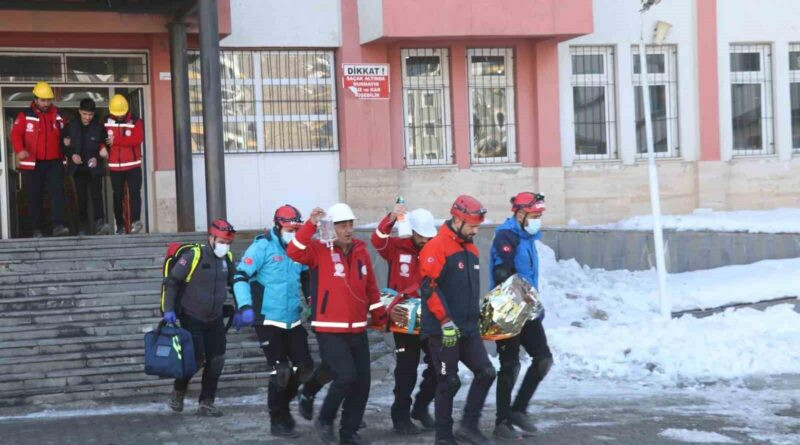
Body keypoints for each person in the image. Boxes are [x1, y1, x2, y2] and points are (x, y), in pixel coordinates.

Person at [286, 203, 387, 445]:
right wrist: (310, 225)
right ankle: (325, 419)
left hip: (358, 327)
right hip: (329, 327)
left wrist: (379, 314)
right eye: (342, 225)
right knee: (345, 376)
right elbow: (294, 251)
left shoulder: (361, 250)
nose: (348, 229)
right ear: (332, 227)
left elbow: (371, 286)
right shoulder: (319, 249)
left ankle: (349, 433)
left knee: (362, 382)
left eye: (350, 224)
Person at [419, 195, 497, 445]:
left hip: (468, 329)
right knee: (448, 381)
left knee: (486, 372)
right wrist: (444, 321)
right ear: (456, 219)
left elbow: (468, 290)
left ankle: (468, 426)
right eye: (472, 225)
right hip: (444, 332)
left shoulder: (470, 249)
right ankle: (443, 437)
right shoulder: (437, 246)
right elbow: (429, 287)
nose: (476, 230)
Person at [232, 205, 314, 438]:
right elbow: (240, 276)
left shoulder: (299, 248)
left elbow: (307, 276)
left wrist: (311, 301)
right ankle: (277, 419)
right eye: (289, 228)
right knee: (281, 370)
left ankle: (284, 407)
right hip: (268, 319)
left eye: (296, 229)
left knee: (305, 368)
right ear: (278, 225)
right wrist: (245, 305)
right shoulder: (262, 247)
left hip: (292, 319)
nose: (293, 233)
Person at [489, 192, 553, 440]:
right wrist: (504, 270)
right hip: (506, 308)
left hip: (526, 307)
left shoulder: (527, 238)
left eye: (539, 215)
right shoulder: (507, 236)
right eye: (535, 215)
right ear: (520, 213)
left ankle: (518, 410)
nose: (538, 220)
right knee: (510, 365)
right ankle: (501, 421)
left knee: (543, 359)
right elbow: (502, 269)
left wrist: (534, 303)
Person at [370, 203, 437, 434]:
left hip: (430, 317)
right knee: (406, 371)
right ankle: (400, 417)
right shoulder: (396, 248)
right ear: (413, 231)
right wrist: (390, 218)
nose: (426, 241)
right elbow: (378, 241)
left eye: (429, 237)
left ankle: (421, 407)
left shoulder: (434, 249)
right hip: (403, 319)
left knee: (440, 366)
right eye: (422, 236)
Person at [162, 218, 236, 417]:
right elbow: (173, 282)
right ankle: (178, 391)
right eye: (221, 241)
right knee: (195, 359)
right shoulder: (193, 255)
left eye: (228, 242)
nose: (224, 246)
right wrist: (168, 309)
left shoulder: (226, 259)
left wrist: (242, 308)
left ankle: (207, 402)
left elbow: (236, 283)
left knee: (217, 360)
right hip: (192, 317)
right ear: (210, 238)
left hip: (215, 319)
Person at [10, 81, 69, 238]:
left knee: (57, 193)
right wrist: (19, 150)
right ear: (35, 99)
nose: (46, 103)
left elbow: (67, 132)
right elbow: (15, 134)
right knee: (35, 196)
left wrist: (68, 141)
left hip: (54, 161)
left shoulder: (58, 115)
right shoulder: (24, 115)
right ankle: (37, 229)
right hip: (33, 163)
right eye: (43, 100)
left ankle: (58, 226)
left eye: (48, 100)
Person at [63, 98, 110, 236]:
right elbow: (62, 146)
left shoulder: (99, 127)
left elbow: (105, 145)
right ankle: (82, 226)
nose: (87, 117)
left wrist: (99, 155)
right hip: (78, 169)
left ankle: (100, 223)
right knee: (81, 198)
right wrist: (71, 155)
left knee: (97, 196)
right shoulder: (70, 126)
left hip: (94, 167)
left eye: (90, 114)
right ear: (79, 112)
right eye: (84, 114)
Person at [104, 94, 144, 234]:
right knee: (117, 195)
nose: (119, 117)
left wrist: (117, 141)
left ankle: (136, 221)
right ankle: (120, 225)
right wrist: (102, 148)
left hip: (133, 165)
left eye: (121, 114)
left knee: (134, 193)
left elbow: (137, 139)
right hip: (115, 166)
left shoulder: (136, 121)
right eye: (116, 114)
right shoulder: (106, 121)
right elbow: (100, 139)